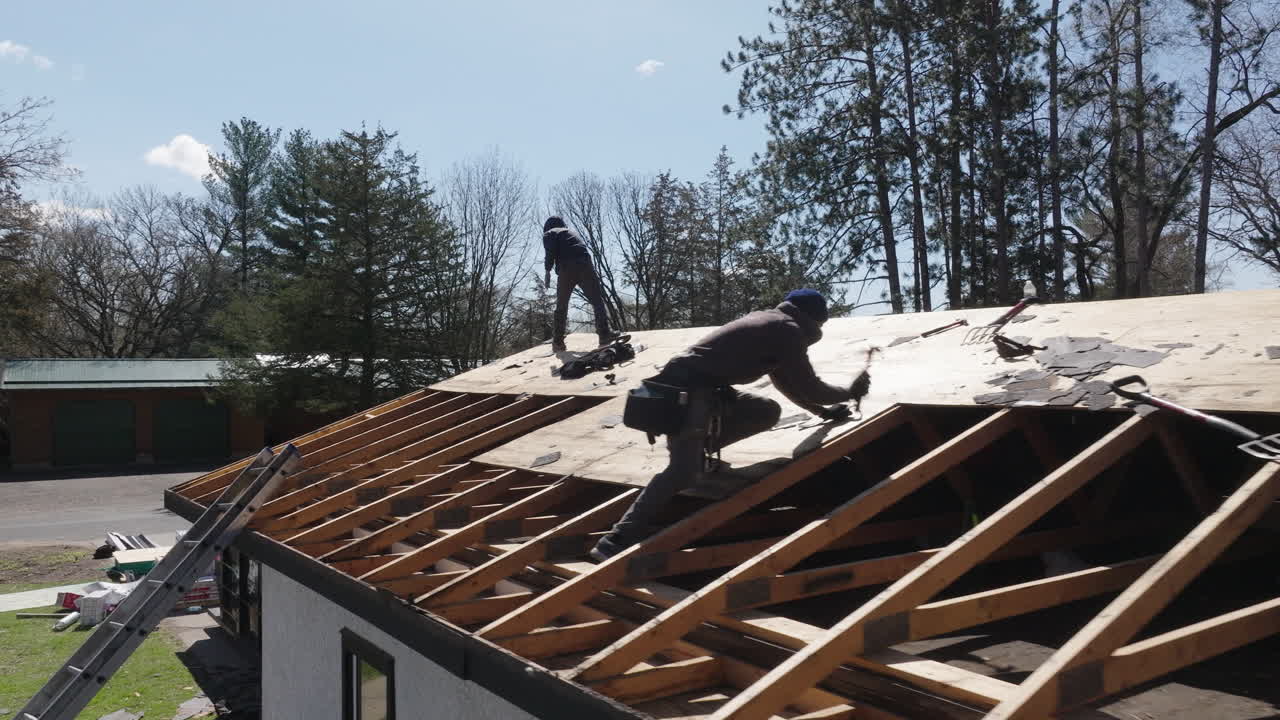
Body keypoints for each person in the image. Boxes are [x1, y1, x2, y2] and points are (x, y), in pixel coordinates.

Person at [590, 288, 871, 561]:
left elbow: (786, 382)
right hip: (688, 393)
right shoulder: (788, 331)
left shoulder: (773, 323)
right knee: (682, 473)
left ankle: (699, 451)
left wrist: (822, 412)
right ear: (815, 319)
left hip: (697, 388)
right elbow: (809, 385)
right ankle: (615, 540)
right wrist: (850, 391)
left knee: (765, 410)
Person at [542, 215, 620, 353]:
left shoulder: (549, 233)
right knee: (597, 301)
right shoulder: (571, 232)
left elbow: (550, 252)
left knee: (561, 306)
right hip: (585, 264)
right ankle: (604, 334)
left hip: (567, 268)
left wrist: (547, 271)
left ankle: (558, 342)